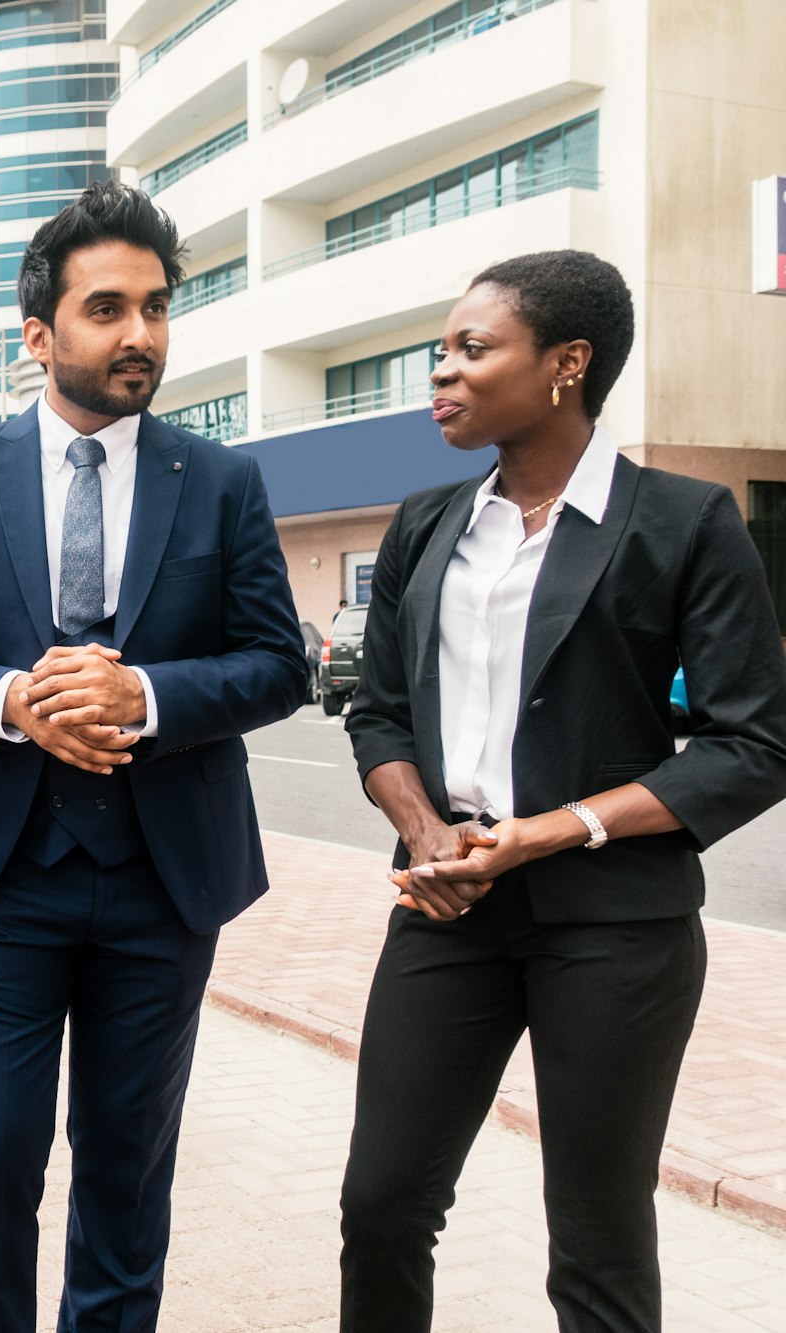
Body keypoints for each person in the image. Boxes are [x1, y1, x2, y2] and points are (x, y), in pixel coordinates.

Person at [0, 182, 308, 1332]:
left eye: (156, 308)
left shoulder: (219, 480)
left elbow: (277, 664)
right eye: (107, 308)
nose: (140, 336)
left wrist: (147, 694)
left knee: (126, 1167)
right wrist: (12, 698)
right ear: (39, 335)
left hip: (164, 882)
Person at [339, 250, 786, 1331]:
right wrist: (424, 833)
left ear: (564, 364)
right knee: (381, 1201)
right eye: (438, 351)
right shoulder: (425, 524)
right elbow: (379, 711)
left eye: (468, 349)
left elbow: (752, 742)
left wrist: (549, 831)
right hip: (447, 910)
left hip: (616, 928)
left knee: (593, 1233)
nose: (438, 373)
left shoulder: (683, 522)